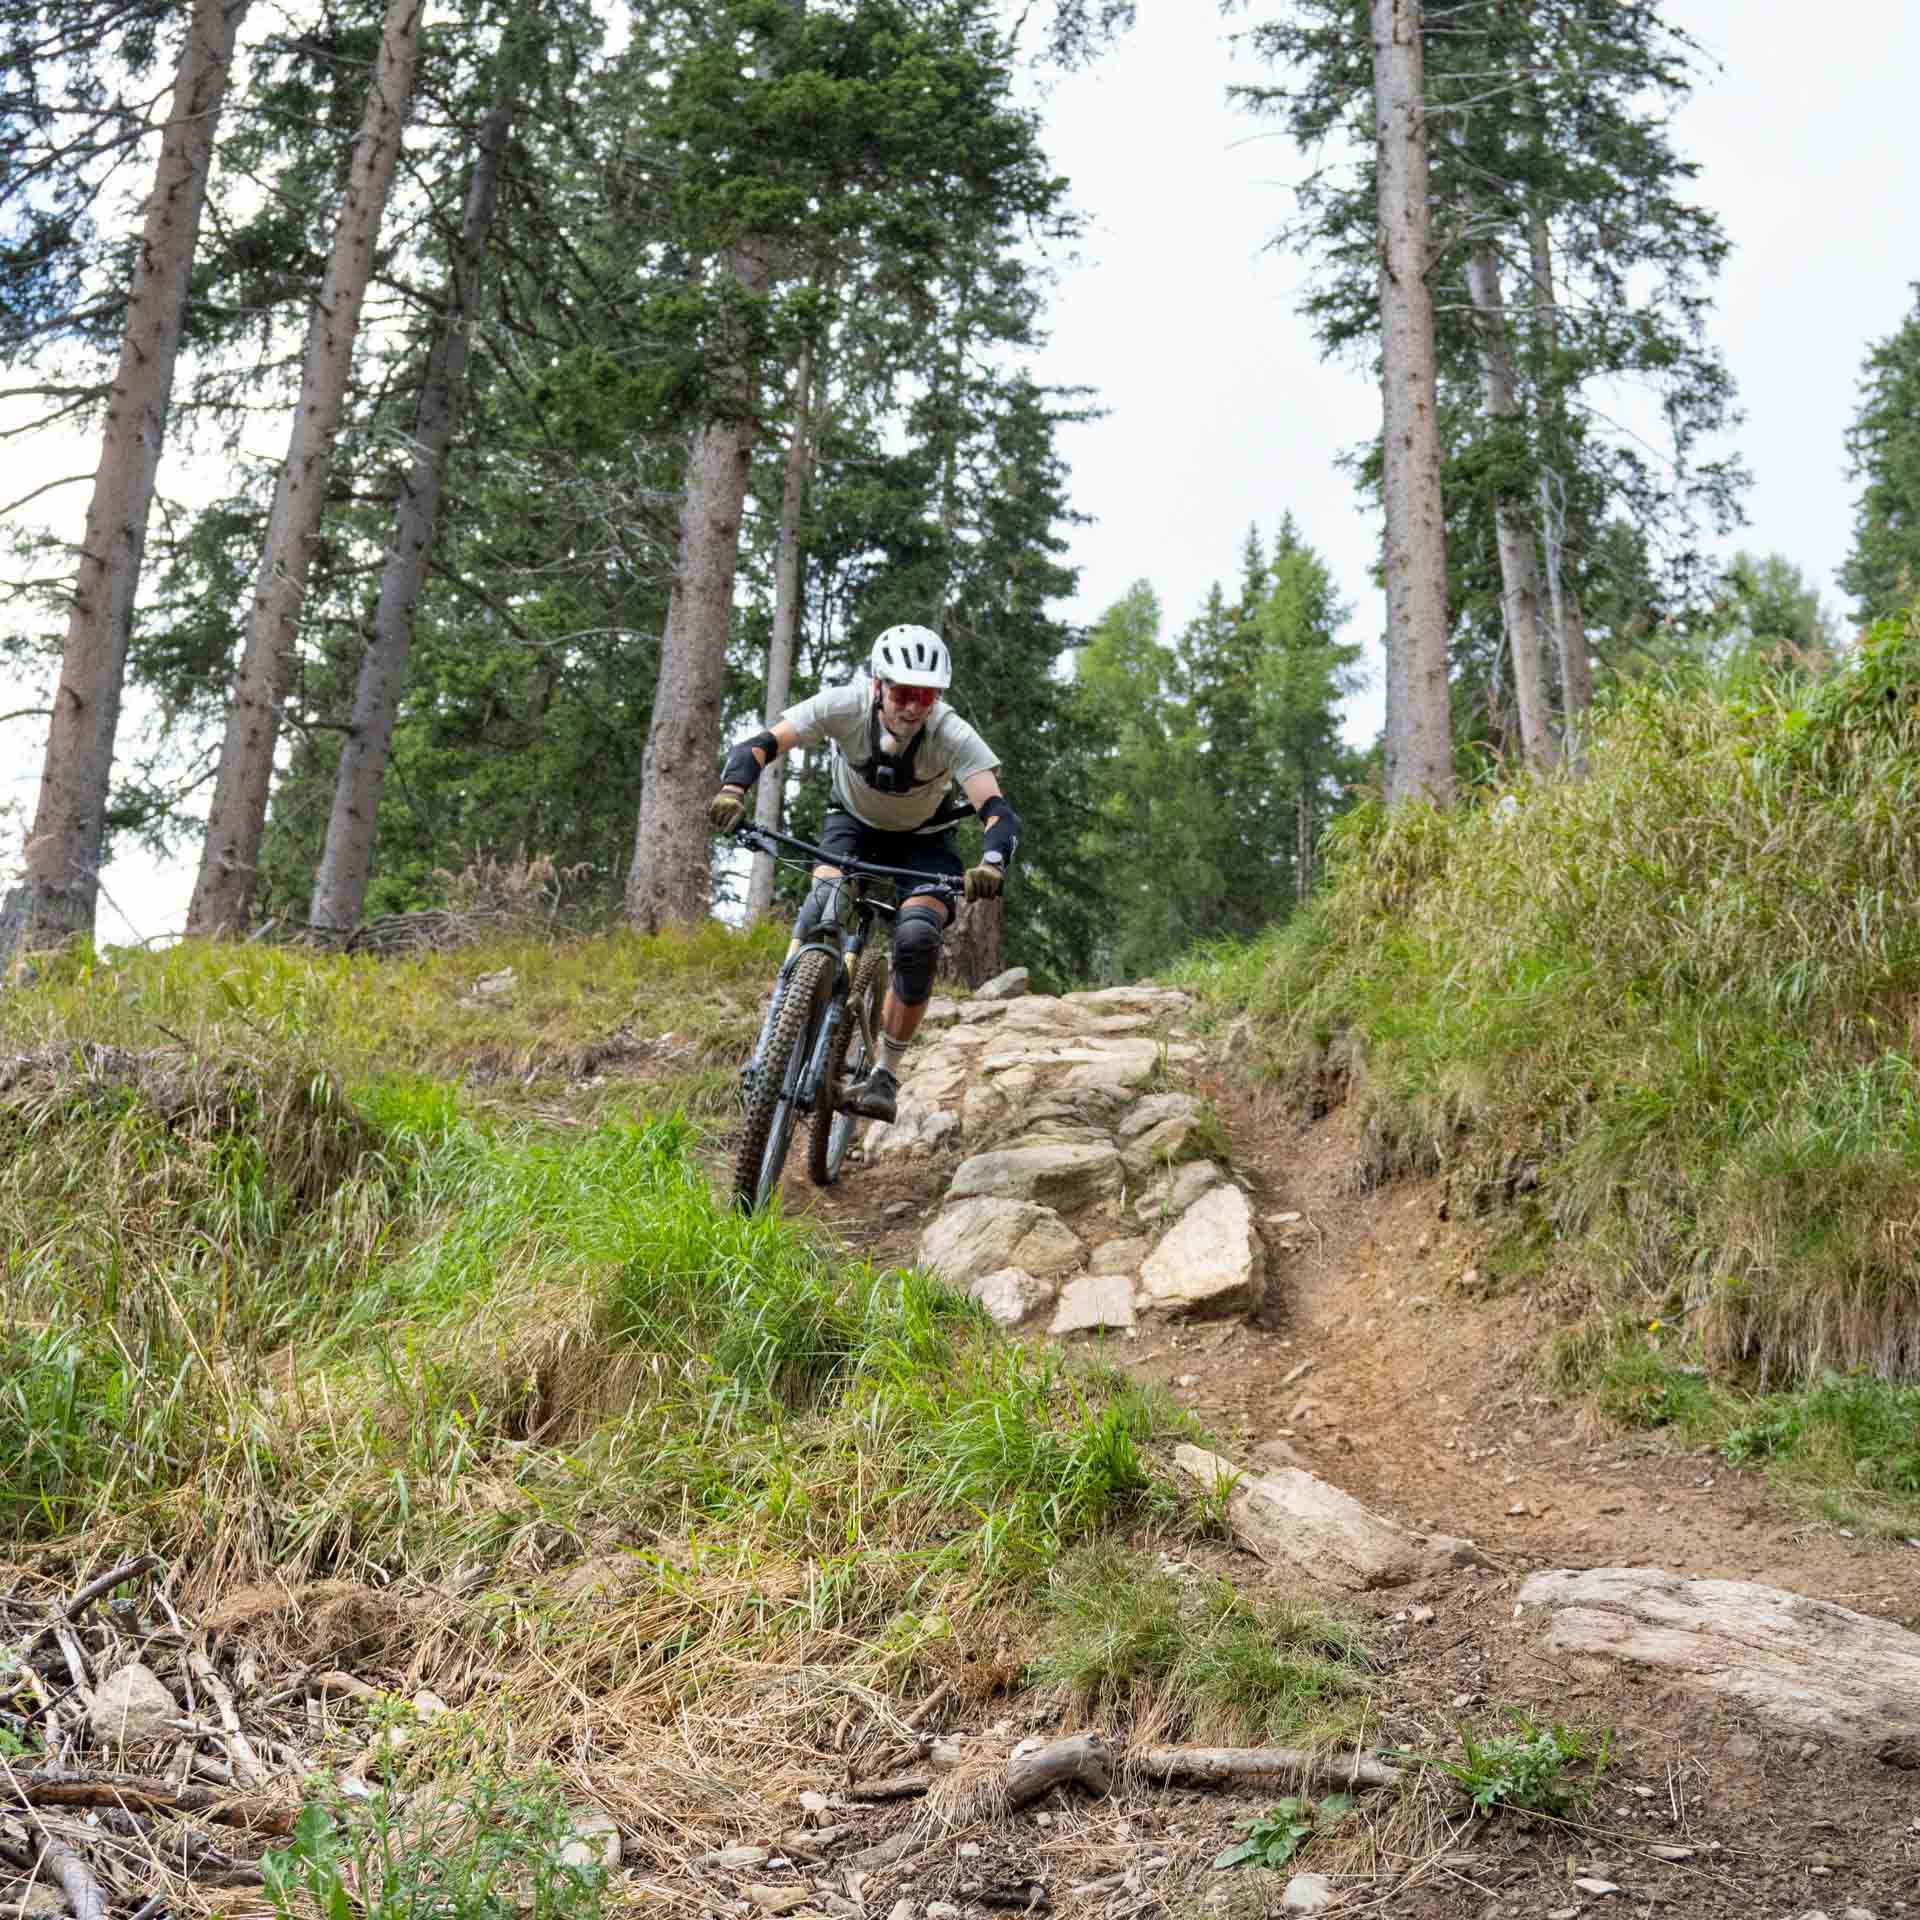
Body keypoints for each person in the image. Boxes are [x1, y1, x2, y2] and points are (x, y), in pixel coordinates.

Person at [708, 625, 1022, 1124]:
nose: (913, 706)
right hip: (851, 824)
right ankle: (772, 1045)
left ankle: (884, 1074)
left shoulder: (951, 732)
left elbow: (997, 811)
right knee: (823, 905)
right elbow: (762, 744)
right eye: (902, 692)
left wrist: (992, 863)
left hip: (925, 840)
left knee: (918, 937)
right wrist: (732, 791)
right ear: (878, 685)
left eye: (925, 695)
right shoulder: (844, 704)